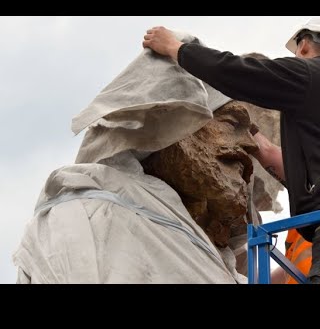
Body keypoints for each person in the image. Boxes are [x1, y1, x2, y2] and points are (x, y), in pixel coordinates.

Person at [142, 17, 320, 284]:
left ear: (305, 44)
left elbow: (237, 71)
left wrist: (176, 48)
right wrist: (249, 133)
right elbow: (306, 163)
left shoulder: (309, 73)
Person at [12, 32, 267, 283]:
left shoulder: (220, 262)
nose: (250, 145)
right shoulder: (86, 218)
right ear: (175, 127)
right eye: (231, 124)